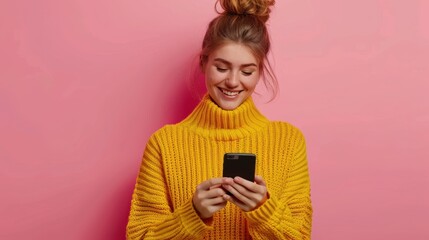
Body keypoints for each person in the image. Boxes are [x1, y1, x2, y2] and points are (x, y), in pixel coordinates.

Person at [126, 0, 312, 239]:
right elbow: (139, 236)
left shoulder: (288, 141)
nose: (233, 82)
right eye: (222, 68)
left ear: (259, 71)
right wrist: (193, 214)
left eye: (246, 71)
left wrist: (264, 210)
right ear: (204, 63)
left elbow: (299, 236)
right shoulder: (164, 144)